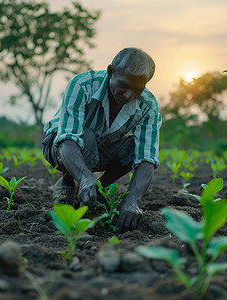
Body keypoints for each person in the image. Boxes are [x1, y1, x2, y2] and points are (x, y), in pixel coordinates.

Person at [42, 47, 162, 233]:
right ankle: (68, 182)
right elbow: (67, 139)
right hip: (60, 147)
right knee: (85, 135)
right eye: (123, 85)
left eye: (138, 89)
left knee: (135, 148)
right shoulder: (82, 84)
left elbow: (147, 159)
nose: (130, 95)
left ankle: (100, 189)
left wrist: (131, 200)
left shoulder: (148, 105)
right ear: (110, 72)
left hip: (104, 149)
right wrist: (84, 178)